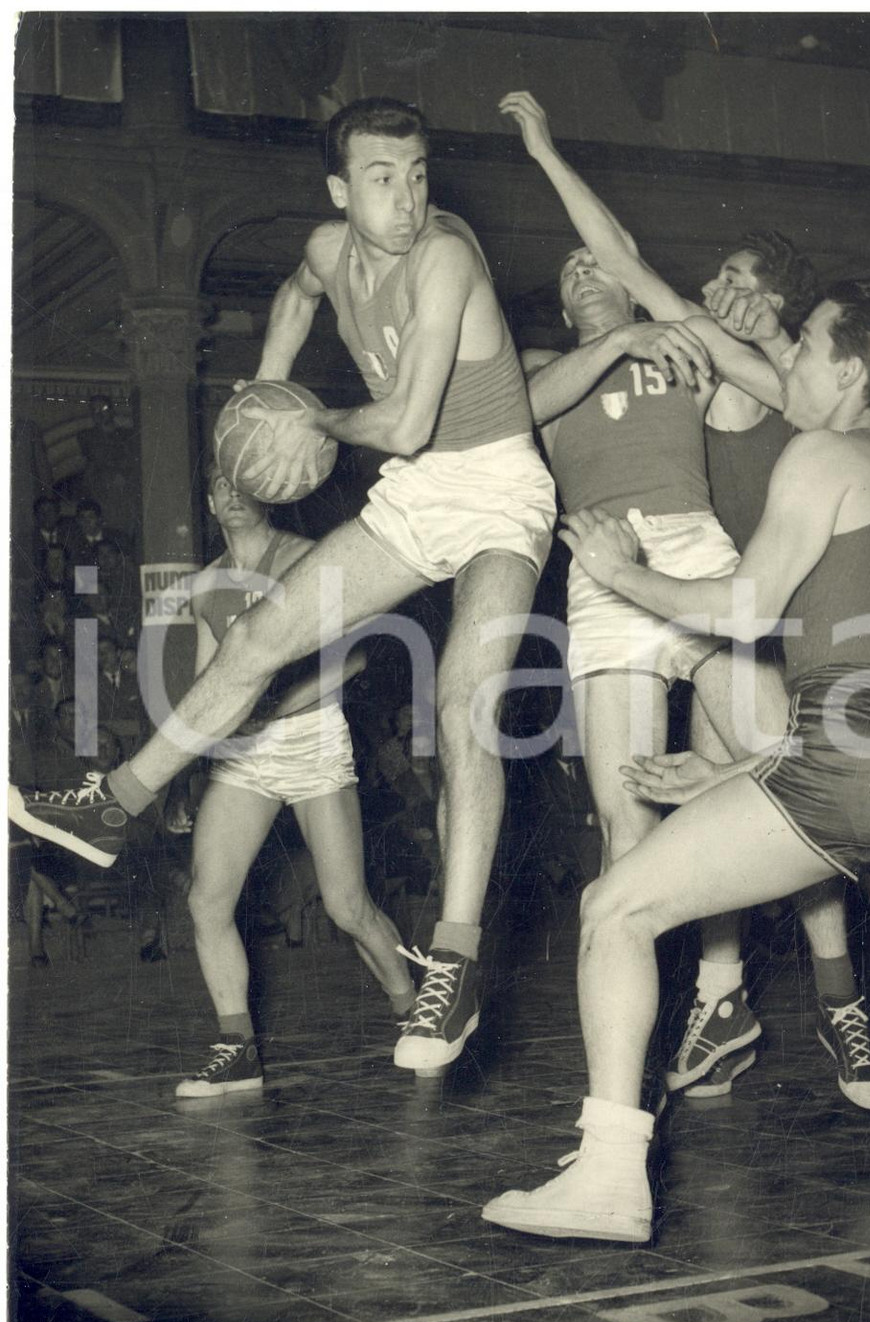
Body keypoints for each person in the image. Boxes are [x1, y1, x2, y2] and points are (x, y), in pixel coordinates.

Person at [10, 95, 557, 1075]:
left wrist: (310, 418)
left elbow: (400, 426)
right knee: (258, 637)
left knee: (467, 703)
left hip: (503, 491)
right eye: (383, 179)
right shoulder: (326, 249)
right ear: (341, 192)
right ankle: (112, 806)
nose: (407, 197)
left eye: (419, 172)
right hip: (421, 495)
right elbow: (300, 296)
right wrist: (262, 387)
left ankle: (456, 964)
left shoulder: (446, 258)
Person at [482, 278, 870, 1243]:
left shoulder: (822, 453)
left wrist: (620, 572)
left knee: (615, 905)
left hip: (864, 765)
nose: (785, 358)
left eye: (803, 345)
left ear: (847, 371)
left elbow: (753, 611)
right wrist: (730, 776)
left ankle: (605, 1176)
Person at [501, 89, 870, 1107]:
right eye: (569, 272)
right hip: (602, 578)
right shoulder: (548, 367)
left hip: (693, 563)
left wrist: (545, 145)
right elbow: (504, 409)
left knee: (783, 773)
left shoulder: (684, 358)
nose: (587, 273)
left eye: (603, 276)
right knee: (624, 832)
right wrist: (608, 347)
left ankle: (830, 994)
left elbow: (624, 251)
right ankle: (632, 1089)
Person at [173, 469, 416, 1096]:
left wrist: (273, 709)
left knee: (345, 905)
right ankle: (237, 1047)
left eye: (238, 482)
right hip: (242, 751)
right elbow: (207, 686)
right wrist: (186, 771)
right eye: (217, 487)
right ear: (208, 504)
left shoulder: (308, 559)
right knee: (207, 899)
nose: (228, 495)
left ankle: (411, 1009)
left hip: (310, 737)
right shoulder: (206, 586)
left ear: (265, 491)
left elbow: (354, 657)